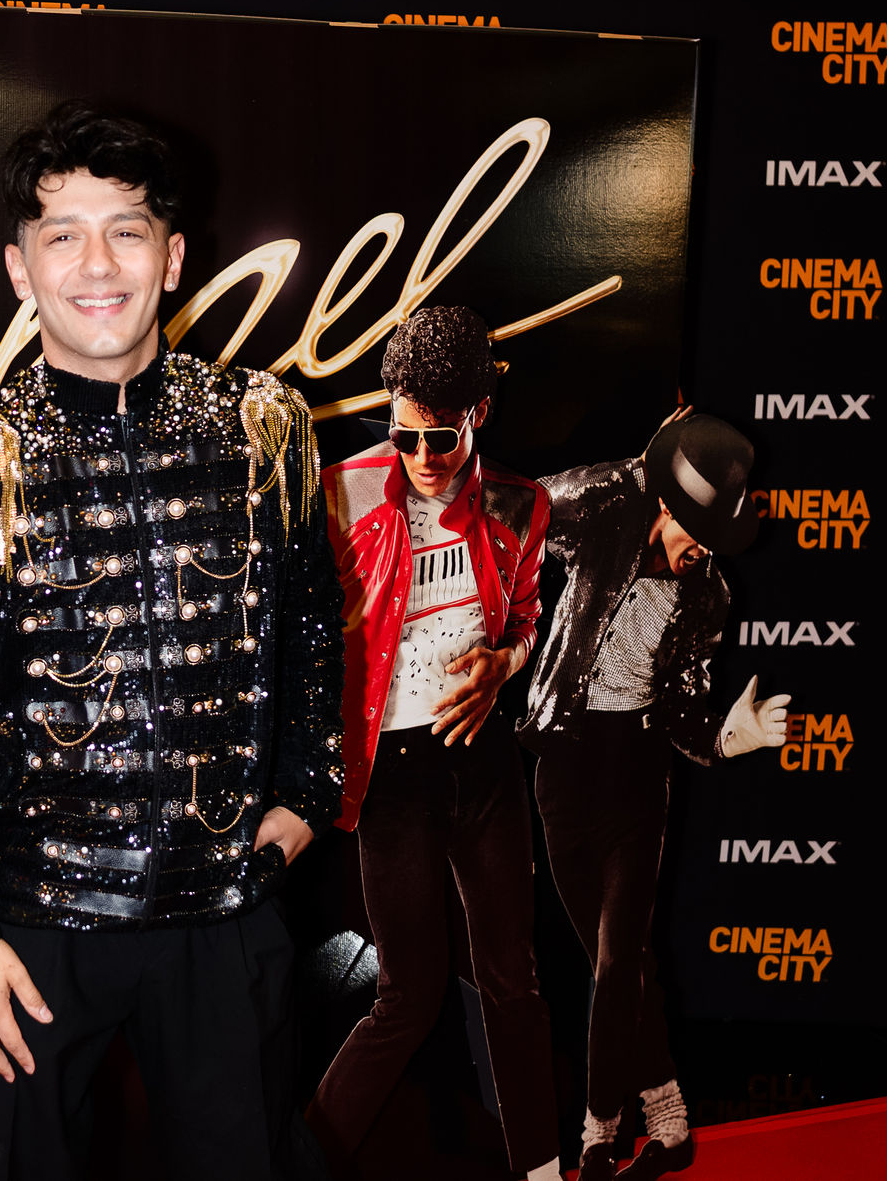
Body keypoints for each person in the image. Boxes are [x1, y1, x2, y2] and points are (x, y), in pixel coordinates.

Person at [0, 100, 345, 1179]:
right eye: (63, 235)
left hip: (221, 912)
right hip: (27, 926)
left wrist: (304, 798)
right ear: (19, 267)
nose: (97, 265)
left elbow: (313, 630)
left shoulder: (264, 426)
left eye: (126, 231)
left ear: (172, 257)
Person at [308, 305, 562, 1181]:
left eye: (441, 438)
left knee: (514, 981)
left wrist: (504, 665)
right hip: (392, 776)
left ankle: (541, 1170)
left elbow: (526, 618)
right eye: (404, 433)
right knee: (407, 996)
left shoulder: (520, 504)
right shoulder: (341, 495)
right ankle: (303, 1164)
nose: (421, 457)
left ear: (479, 414)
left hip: (484, 767)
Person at [519, 410, 789, 1181]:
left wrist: (724, 738)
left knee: (615, 964)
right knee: (627, 963)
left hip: (638, 780)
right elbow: (530, 504)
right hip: (564, 772)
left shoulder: (708, 595)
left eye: (717, 537)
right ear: (665, 504)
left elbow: (681, 706)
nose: (702, 549)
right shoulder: (607, 519)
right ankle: (670, 1118)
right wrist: (642, 469)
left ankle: (598, 1133)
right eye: (696, 528)